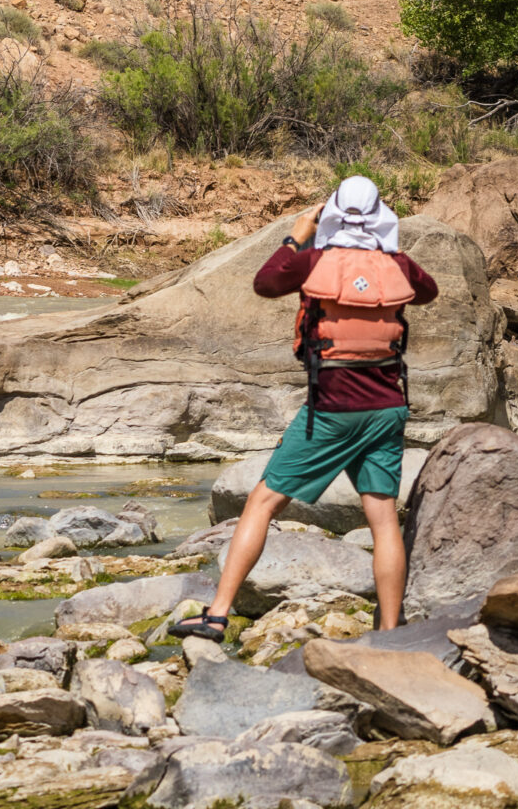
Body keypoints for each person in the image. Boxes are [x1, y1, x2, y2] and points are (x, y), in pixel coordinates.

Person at [171, 176, 438, 641]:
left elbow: (265, 282)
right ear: (380, 216)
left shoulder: (314, 260)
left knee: (262, 501)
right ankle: (391, 632)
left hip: (333, 408)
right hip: (387, 408)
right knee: (382, 517)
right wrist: (387, 254)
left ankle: (216, 614)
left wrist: (297, 233)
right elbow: (428, 290)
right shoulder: (398, 265)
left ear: (330, 212)